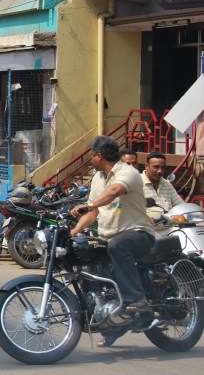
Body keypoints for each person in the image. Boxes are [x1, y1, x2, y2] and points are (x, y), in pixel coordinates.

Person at [71, 135, 155, 347]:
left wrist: (90, 206)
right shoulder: (98, 178)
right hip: (108, 236)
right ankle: (111, 320)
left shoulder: (128, 172)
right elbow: (93, 211)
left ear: (98, 156)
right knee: (88, 261)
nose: (90, 159)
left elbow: (114, 192)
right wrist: (74, 231)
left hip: (138, 233)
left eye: (91, 155)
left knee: (119, 245)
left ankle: (137, 299)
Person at [141, 151, 183, 221]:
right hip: (146, 228)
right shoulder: (137, 183)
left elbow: (180, 205)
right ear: (146, 166)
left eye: (163, 168)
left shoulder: (167, 184)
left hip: (170, 226)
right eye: (156, 167)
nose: (160, 171)